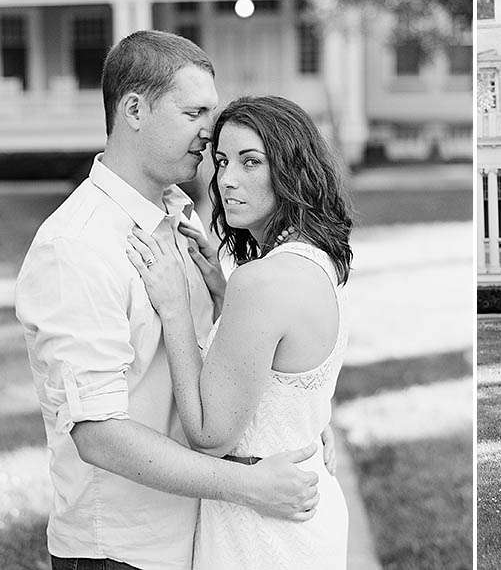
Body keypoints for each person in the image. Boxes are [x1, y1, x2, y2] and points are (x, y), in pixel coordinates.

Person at [15, 31, 330, 570]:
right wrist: (250, 486)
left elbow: (224, 361)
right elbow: (99, 435)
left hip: (204, 539)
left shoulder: (180, 220)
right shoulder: (77, 247)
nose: (210, 133)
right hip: (123, 551)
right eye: (194, 112)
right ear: (133, 109)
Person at [126, 95, 353, 568]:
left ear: (293, 170)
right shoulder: (318, 260)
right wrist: (223, 293)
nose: (227, 180)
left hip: (261, 528)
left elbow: (210, 436)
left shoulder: (263, 281)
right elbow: (281, 361)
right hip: (308, 511)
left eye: (251, 162)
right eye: (222, 161)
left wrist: (175, 310)